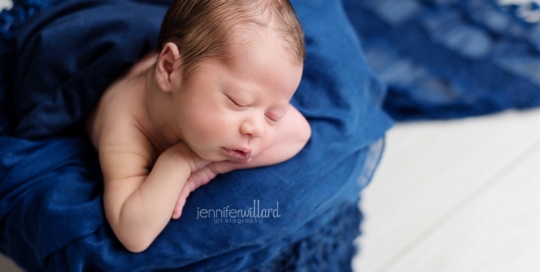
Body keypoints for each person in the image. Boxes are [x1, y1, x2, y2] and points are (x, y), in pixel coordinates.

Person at [85, 0, 311, 253]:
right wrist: (180, 160)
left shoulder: (226, 91)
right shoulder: (126, 125)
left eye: (273, 115)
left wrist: (208, 169)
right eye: (239, 102)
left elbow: (299, 133)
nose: (257, 129)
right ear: (170, 68)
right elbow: (133, 234)